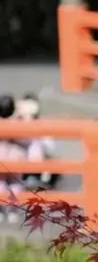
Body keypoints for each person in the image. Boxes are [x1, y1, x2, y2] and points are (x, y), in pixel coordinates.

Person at [16, 94, 58, 192]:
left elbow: (50, 146)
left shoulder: (42, 124)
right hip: (19, 162)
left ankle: (42, 183)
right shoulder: (15, 122)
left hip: (37, 163)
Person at [0, 95, 28, 223]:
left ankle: (1, 210)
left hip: (1, 156)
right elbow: (26, 139)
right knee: (15, 183)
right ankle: (12, 210)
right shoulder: (18, 121)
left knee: (1, 184)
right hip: (16, 157)